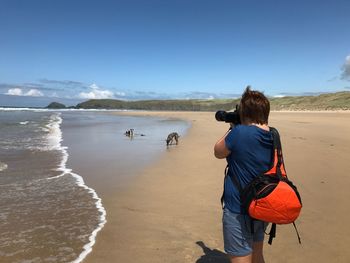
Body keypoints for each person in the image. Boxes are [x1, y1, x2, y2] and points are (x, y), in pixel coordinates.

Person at [214, 86, 273, 263]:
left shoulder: (239, 133)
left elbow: (218, 151)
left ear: (244, 112)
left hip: (238, 208)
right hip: (262, 204)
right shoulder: (273, 134)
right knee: (257, 255)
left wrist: (232, 128)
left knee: (242, 258)